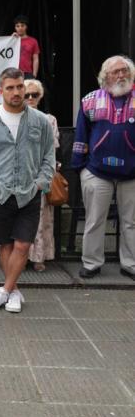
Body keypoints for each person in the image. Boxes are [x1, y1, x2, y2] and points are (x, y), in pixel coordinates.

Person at [0, 68, 55, 312]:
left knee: (22, 245)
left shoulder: (40, 121)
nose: (17, 92)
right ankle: (14, 291)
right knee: (5, 246)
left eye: (20, 87)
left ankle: (5, 290)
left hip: (29, 193)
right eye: (10, 88)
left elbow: (49, 156)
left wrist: (41, 183)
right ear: (1, 90)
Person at [70, 55, 135, 281]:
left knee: (131, 223)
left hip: (132, 175)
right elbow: (81, 134)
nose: (121, 75)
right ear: (105, 75)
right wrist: (79, 167)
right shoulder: (89, 100)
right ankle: (91, 263)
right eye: (115, 71)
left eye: (124, 71)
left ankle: (131, 264)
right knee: (94, 220)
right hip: (96, 172)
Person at [24, 79, 60, 272]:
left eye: (34, 95)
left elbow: (52, 151)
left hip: (40, 175)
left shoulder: (49, 120)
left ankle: (39, 257)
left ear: (40, 97)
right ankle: (18, 257)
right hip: (18, 176)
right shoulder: (14, 117)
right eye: (26, 94)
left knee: (40, 219)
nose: (30, 98)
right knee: (18, 218)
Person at [12, 15, 40, 80]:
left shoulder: (33, 41)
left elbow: (36, 59)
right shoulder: (12, 40)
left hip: (28, 73)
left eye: (22, 25)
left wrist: (34, 74)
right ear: (15, 28)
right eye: (17, 26)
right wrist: (11, 39)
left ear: (26, 27)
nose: (20, 28)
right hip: (13, 72)